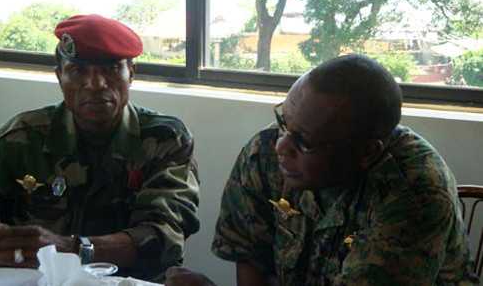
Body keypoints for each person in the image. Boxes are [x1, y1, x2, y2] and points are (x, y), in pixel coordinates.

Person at [165, 54, 479, 286]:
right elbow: (250, 256)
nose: (281, 146)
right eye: (283, 122)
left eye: (303, 141)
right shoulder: (265, 153)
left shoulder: (413, 195)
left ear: (366, 152)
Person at [0, 14, 200, 282]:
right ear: (59, 77)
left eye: (110, 69)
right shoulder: (22, 138)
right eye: (78, 71)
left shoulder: (165, 139)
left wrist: (71, 248)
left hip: (129, 281)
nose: (96, 85)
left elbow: (164, 236)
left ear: (131, 73)